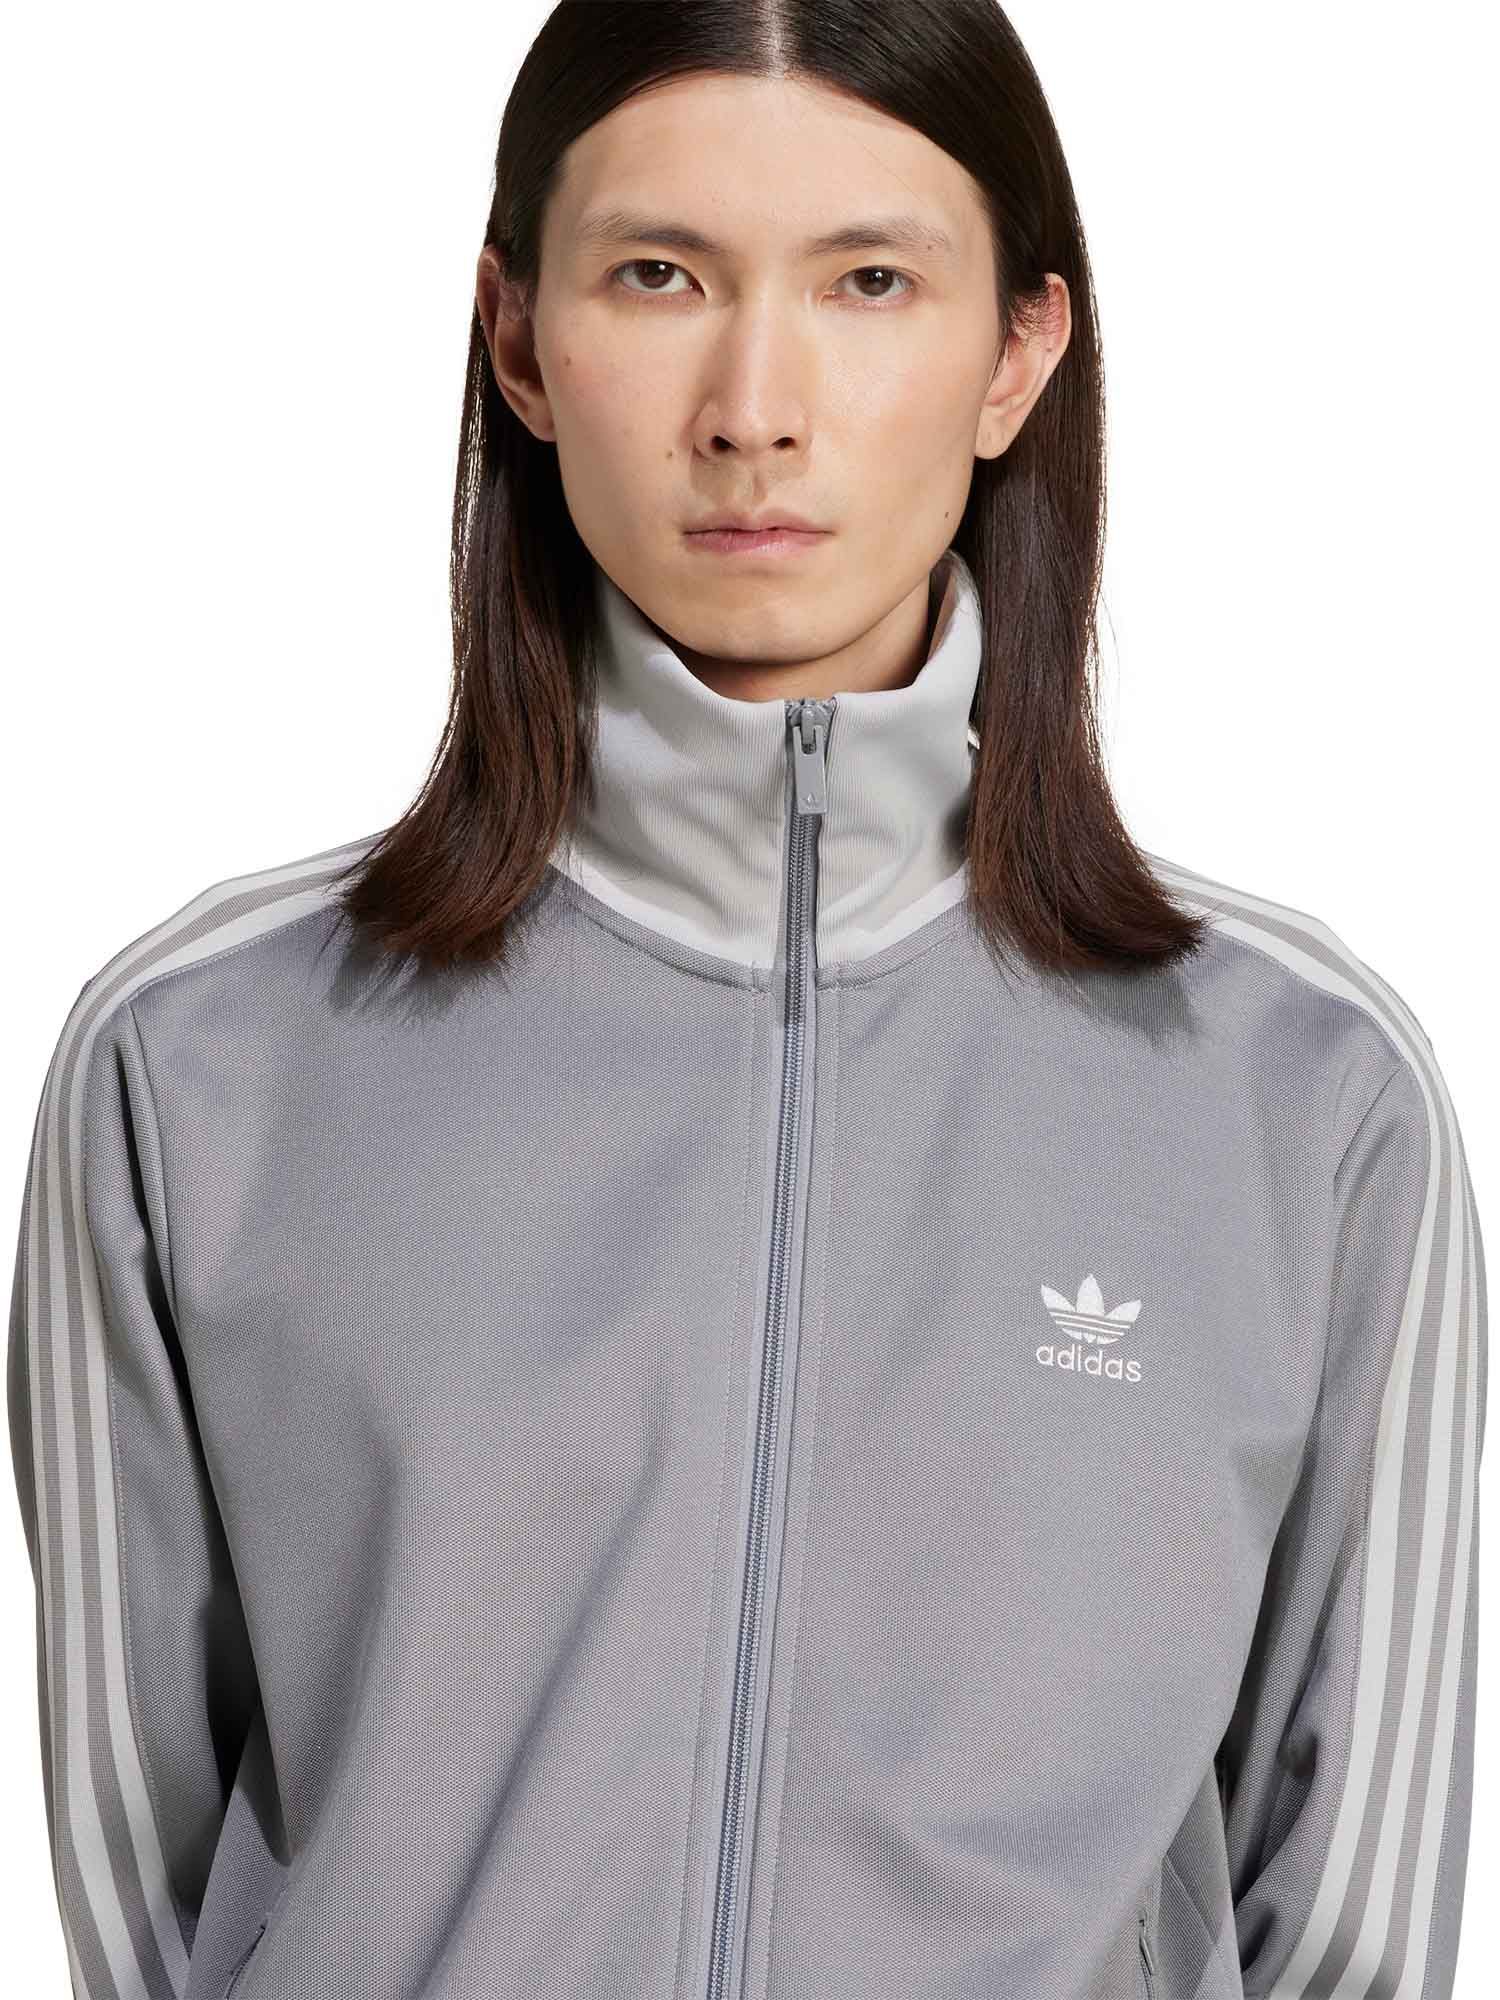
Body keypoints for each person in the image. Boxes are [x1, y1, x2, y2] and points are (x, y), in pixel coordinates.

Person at [7, 4, 1484, 1997]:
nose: (753, 407)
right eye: (657, 275)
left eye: (869, 281)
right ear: (519, 340)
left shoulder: (1305, 1102)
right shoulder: (198, 1067)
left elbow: (1357, 1929)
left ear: (1017, 353)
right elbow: (149, 1896)